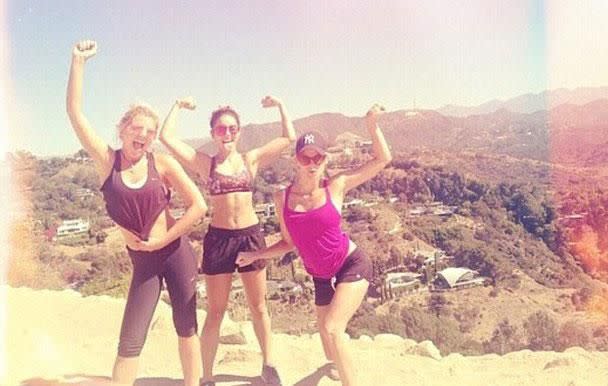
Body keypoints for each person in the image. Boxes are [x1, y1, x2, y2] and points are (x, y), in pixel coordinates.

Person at [67, 40, 207, 386]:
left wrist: (165, 237)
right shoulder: (107, 161)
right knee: (130, 342)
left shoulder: (163, 163)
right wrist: (78, 63)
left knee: (186, 329)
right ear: (122, 130)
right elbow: (75, 113)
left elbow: (199, 206)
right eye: (136, 128)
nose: (142, 135)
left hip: (176, 255)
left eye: (149, 131)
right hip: (142, 263)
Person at [236, 104, 391, 386]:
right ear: (295, 159)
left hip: (351, 263)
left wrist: (372, 126)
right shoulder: (282, 199)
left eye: (317, 157)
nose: (311, 163)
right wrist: (257, 254)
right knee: (327, 344)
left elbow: (382, 159)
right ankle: (334, 365)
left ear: (324, 160)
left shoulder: (336, 186)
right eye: (305, 158)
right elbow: (288, 242)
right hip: (320, 276)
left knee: (333, 328)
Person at [159, 94, 296, 385]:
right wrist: (178, 107)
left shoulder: (251, 159)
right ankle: (206, 377)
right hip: (219, 240)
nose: (227, 133)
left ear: (239, 131)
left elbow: (288, 137)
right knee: (216, 311)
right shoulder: (204, 163)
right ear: (213, 133)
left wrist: (281, 105)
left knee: (259, 306)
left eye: (232, 128)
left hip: (250, 236)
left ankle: (268, 364)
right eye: (221, 129)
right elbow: (167, 137)